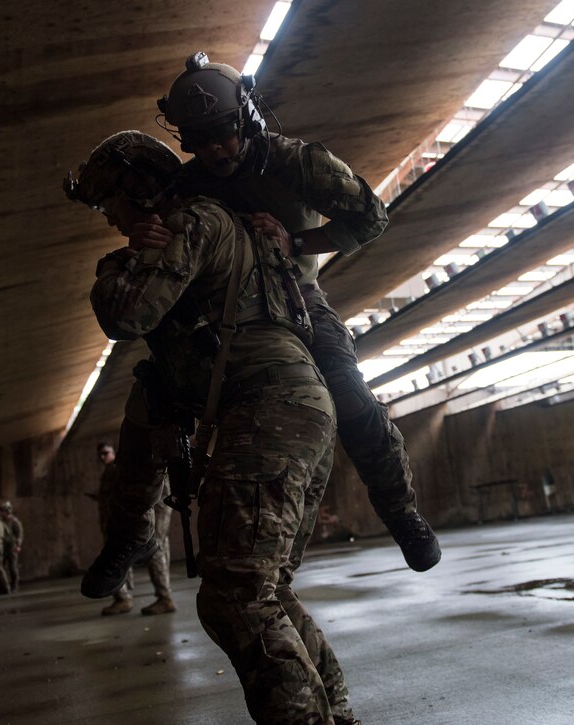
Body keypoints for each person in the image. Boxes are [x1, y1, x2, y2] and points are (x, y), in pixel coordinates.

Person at [65, 131, 356, 723]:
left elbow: (127, 313)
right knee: (265, 590)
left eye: (111, 204)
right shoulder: (210, 225)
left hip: (267, 413)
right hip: (300, 412)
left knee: (235, 600)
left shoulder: (191, 224)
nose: (112, 220)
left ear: (138, 192)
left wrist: (118, 264)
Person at [153, 51, 440, 572]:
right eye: (200, 141)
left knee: (351, 398)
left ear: (245, 119)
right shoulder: (187, 188)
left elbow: (370, 216)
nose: (215, 150)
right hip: (222, 317)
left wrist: (297, 240)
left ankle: (401, 514)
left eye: (223, 133)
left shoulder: (293, 162)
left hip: (297, 299)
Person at [96, 442, 176, 616]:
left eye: (106, 453)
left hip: (153, 511)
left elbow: (155, 493)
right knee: (126, 550)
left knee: (155, 549)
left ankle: (164, 598)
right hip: (137, 513)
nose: (103, 457)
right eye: (100, 455)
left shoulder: (142, 462)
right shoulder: (115, 469)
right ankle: (125, 598)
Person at [0, 500, 24, 593]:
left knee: (13, 567)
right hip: (3, 546)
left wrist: (18, 545)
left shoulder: (14, 521)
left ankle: (14, 586)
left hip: (11, 546)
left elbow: (19, 534)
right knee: (0, 567)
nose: (2, 513)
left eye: (3, 511)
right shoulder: (1, 521)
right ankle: (4, 587)